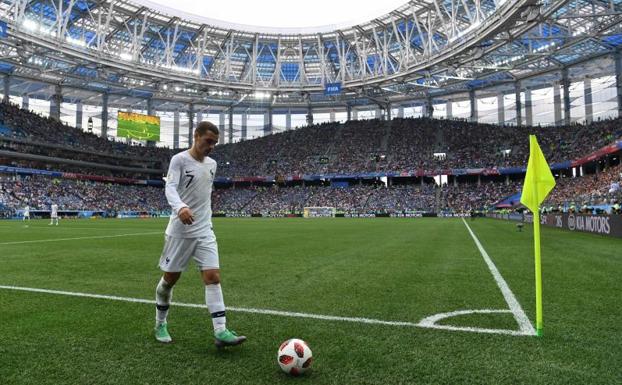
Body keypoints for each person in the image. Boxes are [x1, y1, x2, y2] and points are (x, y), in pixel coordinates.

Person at [154, 121, 246, 348]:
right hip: (180, 231)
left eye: (215, 143)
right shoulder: (179, 160)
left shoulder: (213, 164)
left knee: (213, 277)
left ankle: (221, 331)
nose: (212, 146)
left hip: (205, 230)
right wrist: (181, 207)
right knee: (169, 281)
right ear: (196, 136)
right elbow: (170, 187)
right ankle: (160, 324)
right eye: (208, 141)